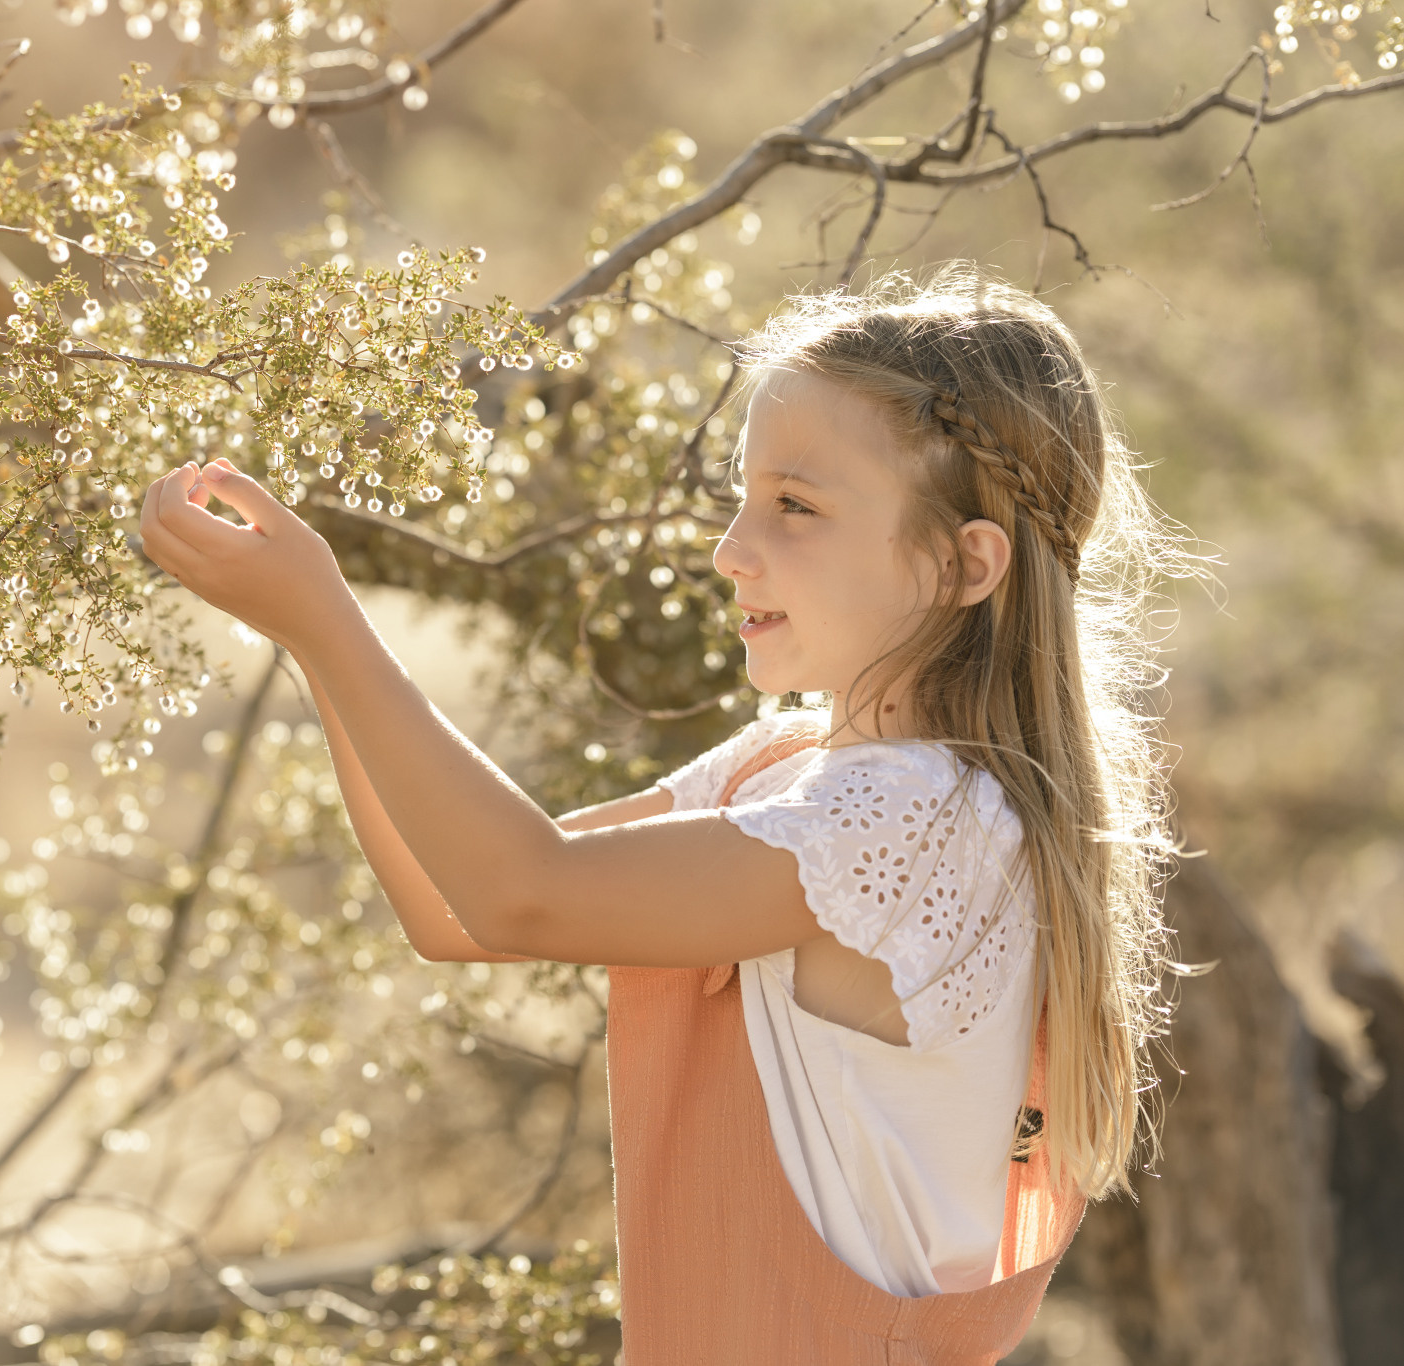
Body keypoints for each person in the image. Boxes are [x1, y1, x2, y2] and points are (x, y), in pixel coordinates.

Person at [137, 264, 1184, 1362]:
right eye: (742, 496)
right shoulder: (787, 769)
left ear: (962, 564)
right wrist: (311, 640)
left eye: (795, 506)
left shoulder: (913, 817)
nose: (731, 547)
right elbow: (457, 910)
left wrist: (327, 618)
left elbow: (521, 895)